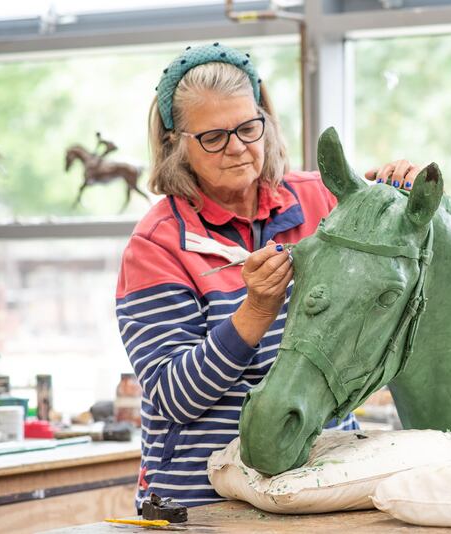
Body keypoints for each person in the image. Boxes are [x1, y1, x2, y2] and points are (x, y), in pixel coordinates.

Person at [115, 42, 422, 509]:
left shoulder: (324, 201)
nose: (237, 147)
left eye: (247, 127)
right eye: (213, 137)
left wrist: (407, 191)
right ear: (174, 144)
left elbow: (412, 259)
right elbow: (173, 398)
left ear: (266, 120)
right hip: (202, 503)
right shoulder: (157, 244)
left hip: (318, 485)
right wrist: (255, 311)